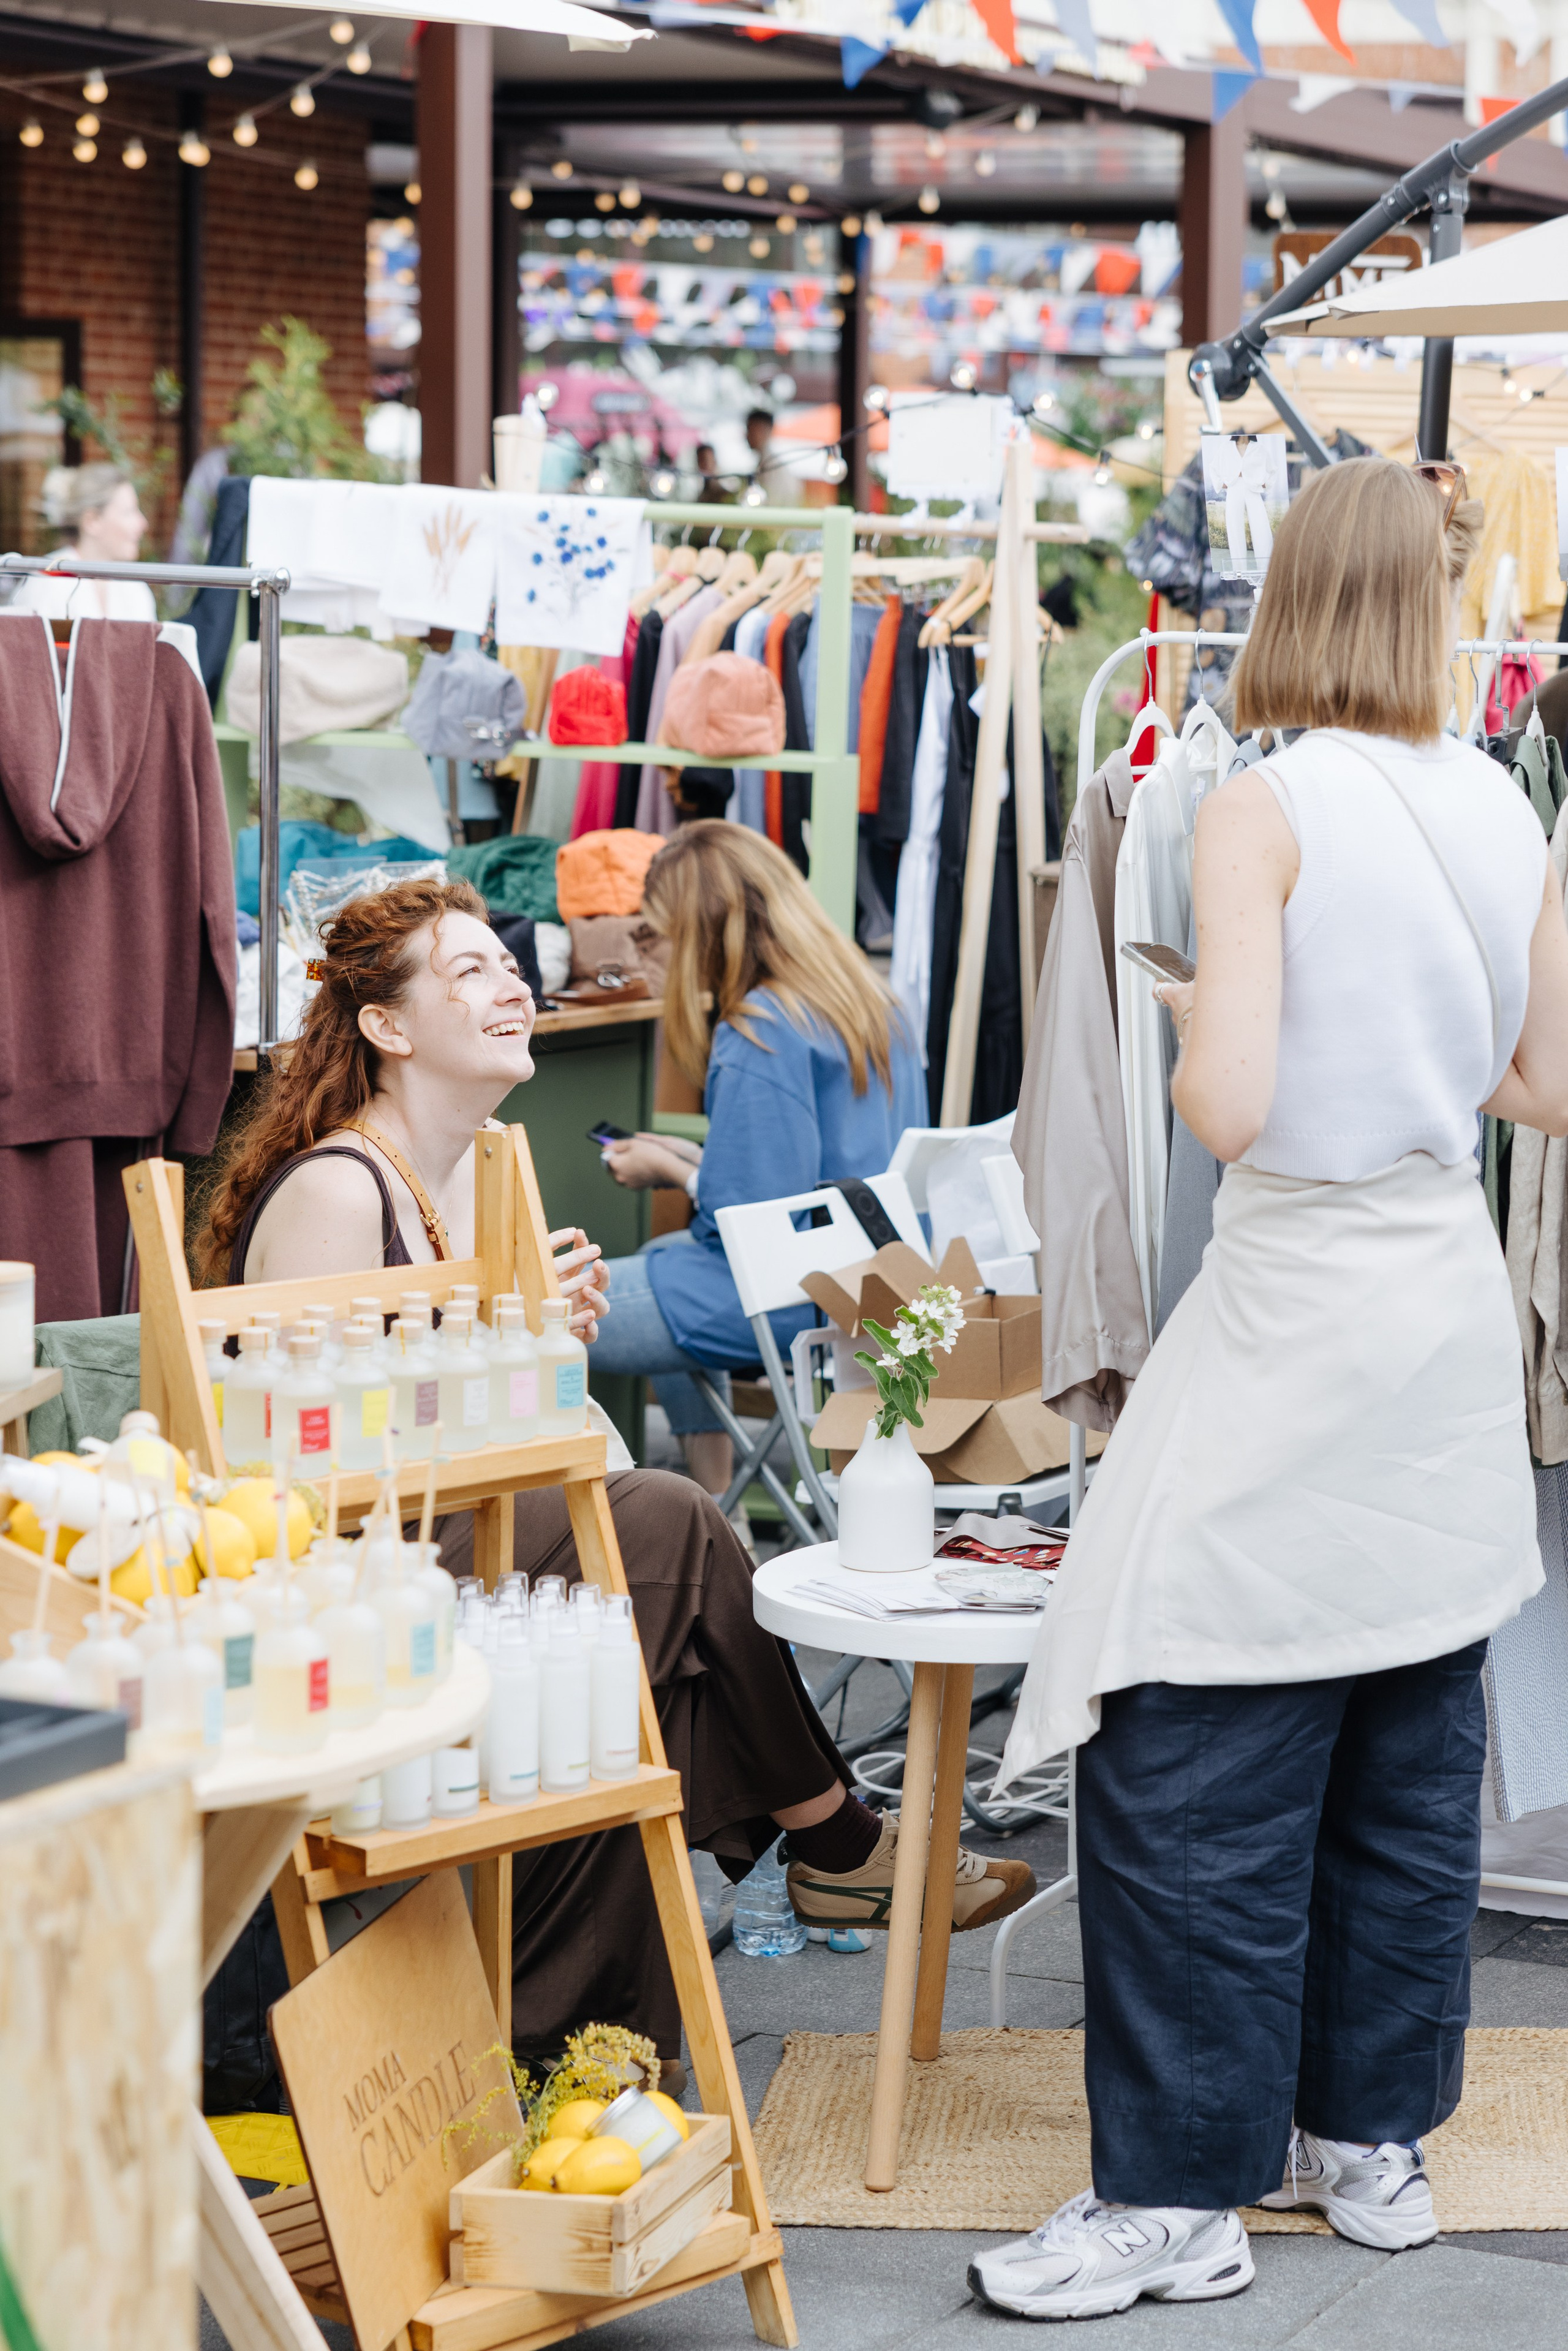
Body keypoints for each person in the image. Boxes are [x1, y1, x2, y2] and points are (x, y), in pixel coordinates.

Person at [968, 456, 1568, 2322]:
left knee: (1185, 1744)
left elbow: (1225, 1109)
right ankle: (1363, 2143)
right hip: (1438, 1306)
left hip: (1297, 1297)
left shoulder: (1255, 803)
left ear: (1287, 595)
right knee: (1404, 1740)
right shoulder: (1499, 802)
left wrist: (1194, 1013)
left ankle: (1171, 2194)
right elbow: (1540, 1087)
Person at [197, 874, 1032, 2070]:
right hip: (347, 1577)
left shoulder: (472, 1178)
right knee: (669, 1521)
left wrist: (533, 1337)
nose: (512, 987)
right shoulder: (340, 1187)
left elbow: (480, 1424)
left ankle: (579, 2049)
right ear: (385, 1027)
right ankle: (837, 1846)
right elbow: (297, 1466)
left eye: (507, 963)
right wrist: (504, 1342)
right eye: (470, 971)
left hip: (447, 1538)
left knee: (655, 1662)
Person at [594, 823, 927, 1500]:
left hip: (792, 1295)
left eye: (653, 934)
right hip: (875, 1281)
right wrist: (693, 1161)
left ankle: (667, 1514)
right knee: (663, 1259)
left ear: (701, 933)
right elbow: (821, 1172)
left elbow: (743, 1225)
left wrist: (674, 1172)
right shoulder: (874, 1006)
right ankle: (718, 1507)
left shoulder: (758, 1030)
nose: (645, 950)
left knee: (546, 1315)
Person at [18, 464, 156, 619]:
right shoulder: (46, 579)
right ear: (92, 521)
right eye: (128, 512)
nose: (142, 524)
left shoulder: (135, 587)